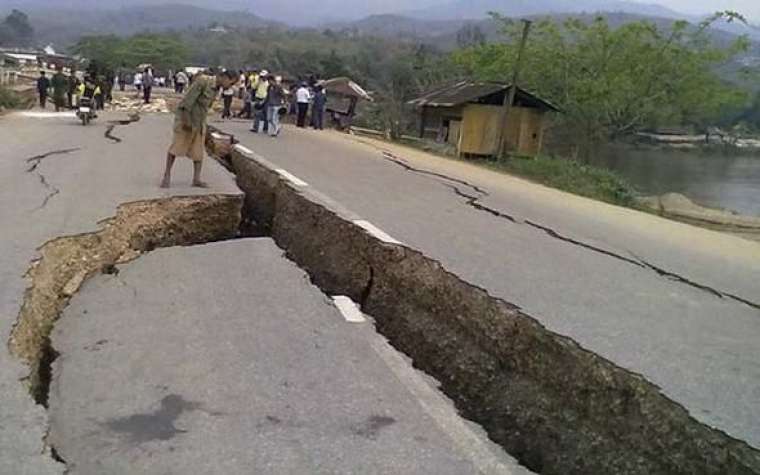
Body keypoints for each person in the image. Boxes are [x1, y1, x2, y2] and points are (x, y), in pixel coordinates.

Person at [161, 69, 238, 188]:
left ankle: (196, 179)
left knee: (198, 151)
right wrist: (186, 121)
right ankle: (167, 175)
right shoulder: (203, 81)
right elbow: (187, 102)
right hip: (186, 119)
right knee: (177, 147)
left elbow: (206, 108)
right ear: (224, 77)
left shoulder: (217, 90)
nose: (230, 86)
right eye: (231, 83)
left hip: (199, 121)